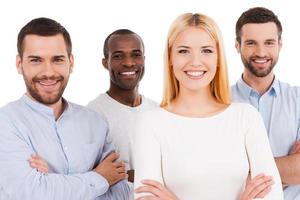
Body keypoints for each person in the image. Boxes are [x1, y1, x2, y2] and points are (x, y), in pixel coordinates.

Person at [133, 13, 283, 200]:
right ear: (170, 57)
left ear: (218, 58)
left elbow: (273, 195)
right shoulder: (150, 123)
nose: (195, 61)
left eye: (206, 50)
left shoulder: (246, 118)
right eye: (183, 51)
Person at [0, 17, 130, 200]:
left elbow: (121, 192)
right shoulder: (6, 122)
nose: (48, 72)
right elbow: (30, 193)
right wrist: (99, 178)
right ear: (19, 64)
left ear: (71, 62)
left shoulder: (95, 122)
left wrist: (51, 181)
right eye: (36, 60)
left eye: (57, 60)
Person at [231, 7, 300, 199]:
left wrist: (244, 171)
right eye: (251, 43)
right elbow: (211, 171)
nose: (261, 52)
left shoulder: (298, 99)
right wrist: (288, 169)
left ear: (280, 44)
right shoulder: (218, 101)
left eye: (269, 42)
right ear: (237, 46)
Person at [87, 29, 157, 183]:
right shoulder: (93, 114)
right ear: (106, 63)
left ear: (144, 59)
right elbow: (91, 176)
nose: (129, 63)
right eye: (118, 56)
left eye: (136, 55)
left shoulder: (158, 111)